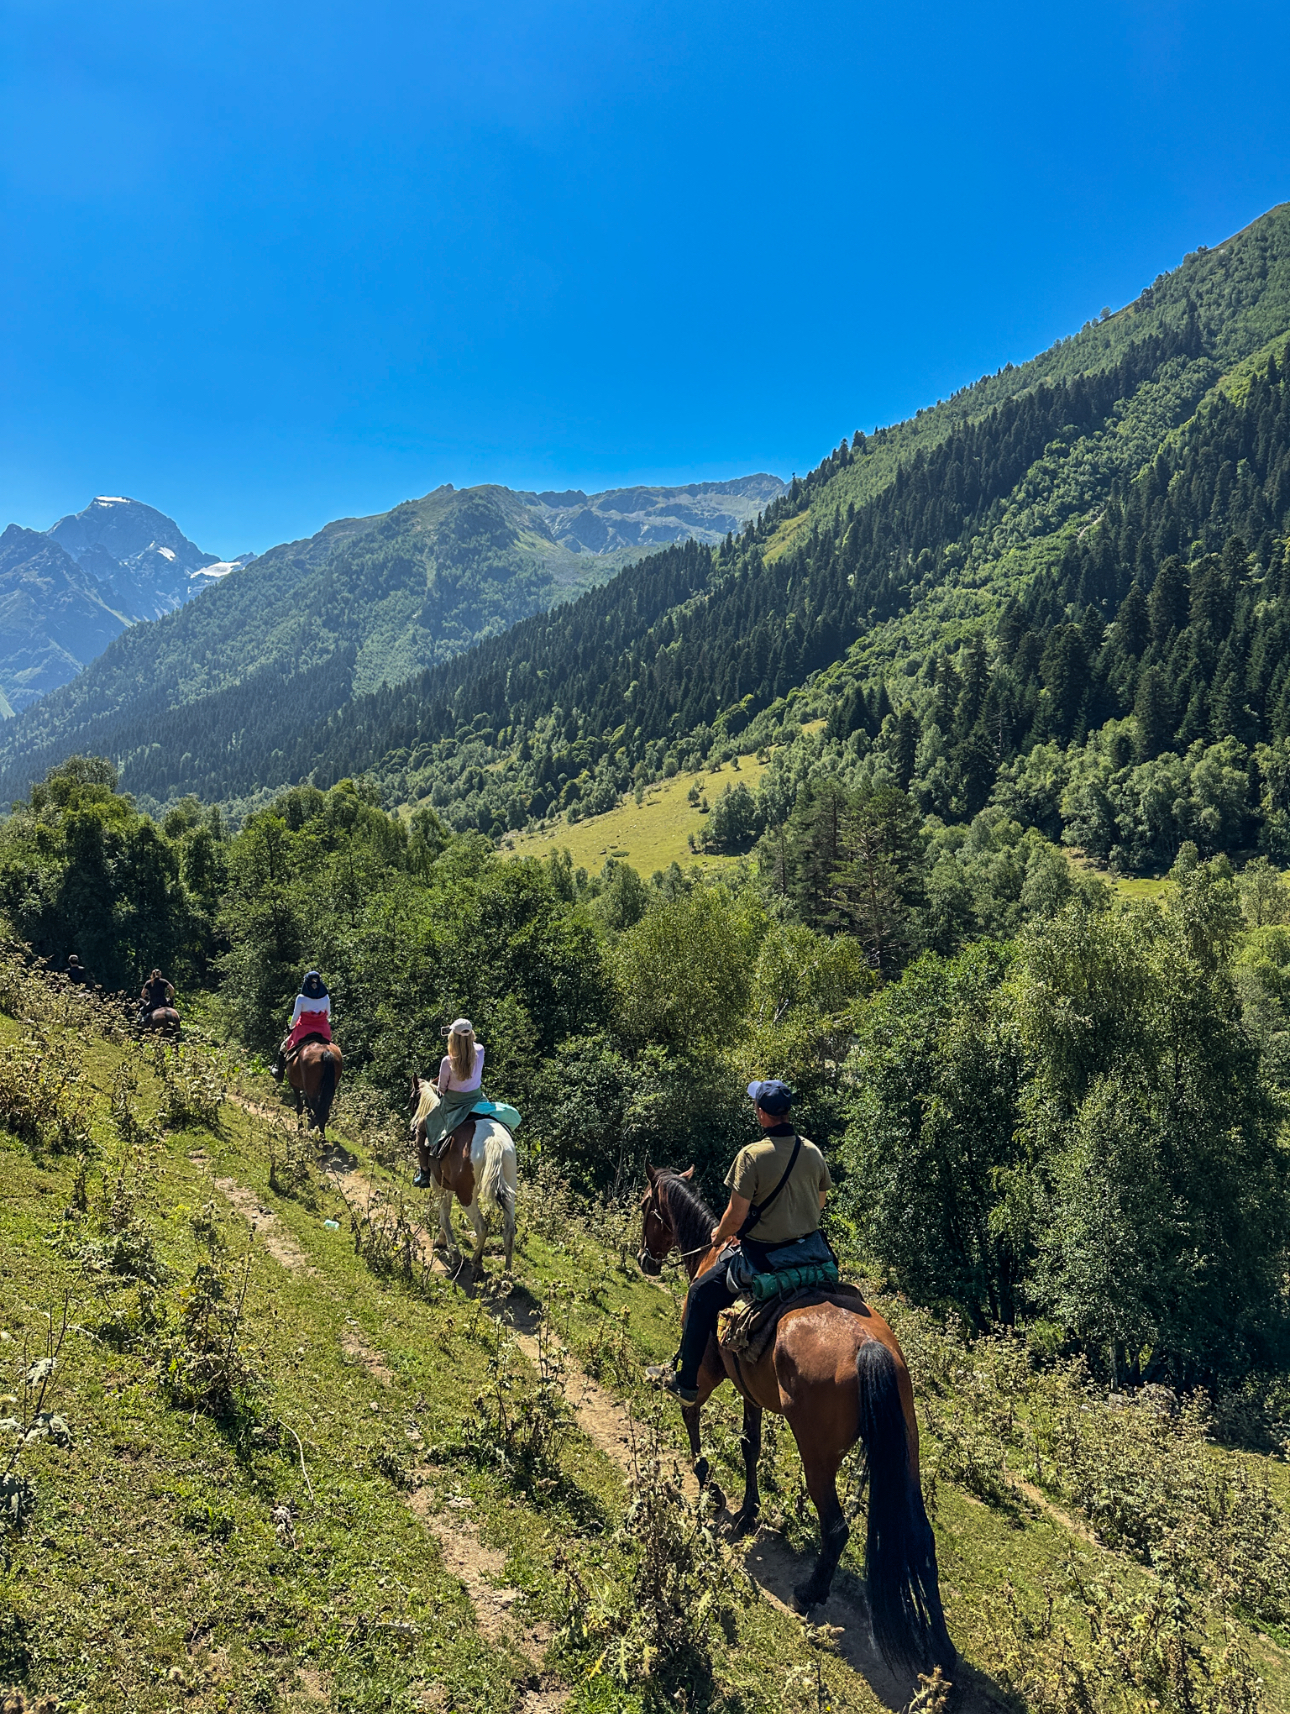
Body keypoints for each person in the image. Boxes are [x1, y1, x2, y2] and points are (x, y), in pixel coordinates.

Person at [650, 1079, 833, 1404]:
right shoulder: (813, 1152)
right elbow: (819, 1203)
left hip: (764, 1259)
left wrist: (719, 1234)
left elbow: (735, 1217)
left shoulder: (752, 1156)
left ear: (761, 1113)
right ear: (787, 1112)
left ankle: (686, 1383)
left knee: (700, 1294)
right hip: (811, 1254)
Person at [412, 1018, 486, 1188]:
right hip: (477, 1100)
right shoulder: (480, 1051)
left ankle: (424, 1173)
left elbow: (442, 1089)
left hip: (453, 1103)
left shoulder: (447, 1061)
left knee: (421, 1128)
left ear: (452, 1038)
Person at [271, 971, 332, 1082]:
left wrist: (291, 1026)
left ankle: (279, 1074)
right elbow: (328, 1014)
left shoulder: (301, 998)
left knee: (283, 1047)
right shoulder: (326, 997)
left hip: (304, 1029)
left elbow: (295, 1017)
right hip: (323, 1030)